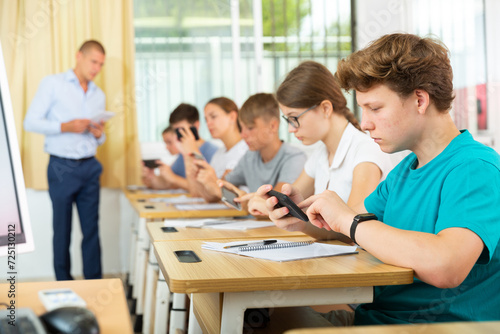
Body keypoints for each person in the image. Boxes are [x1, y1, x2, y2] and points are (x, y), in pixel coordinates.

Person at [259, 33, 500, 326]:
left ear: (420, 99)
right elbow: (358, 232)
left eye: (375, 108)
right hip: (375, 317)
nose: (365, 122)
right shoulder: (404, 171)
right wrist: (305, 221)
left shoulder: (474, 167)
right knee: (259, 315)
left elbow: (446, 265)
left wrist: (349, 220)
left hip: (430, 328)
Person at [250, 61, 395, 232]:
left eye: (294, 118)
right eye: (288, 120)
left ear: (326, 108)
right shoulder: (321, 153)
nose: (290, 128)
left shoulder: (365, 151)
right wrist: (273, 205)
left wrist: (300, 224)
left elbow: (352, 228)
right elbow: (292, 201)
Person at [24, 40, 107, 280]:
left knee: (91, 229)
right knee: (62, 230)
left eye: (100, 65)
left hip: (90, 166)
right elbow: (30, 122)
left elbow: (99, 138)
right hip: (62, 167)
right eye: (93, 62)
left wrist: (100, 135)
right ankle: (64, 284)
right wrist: (65, 126)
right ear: (78, 56)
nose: (96, 69)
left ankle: (94, 283)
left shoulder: (98, 94)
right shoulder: (52, 84)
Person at [216, 93, 307, 211]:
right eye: (241, 128)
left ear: (273, 126)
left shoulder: (294, 157)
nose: (243, 135)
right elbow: (224, 184)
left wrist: (244, 198)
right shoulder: (250, 156)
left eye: (250, 128)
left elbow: (276, 203)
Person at [141, 103, 218, 191]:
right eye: (176, 131)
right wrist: (151, 177)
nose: (178, 136)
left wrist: (174, 178)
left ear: (196, 126)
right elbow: (168, 183)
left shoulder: (212, 152)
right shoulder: (183, 153)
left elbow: (207, 189)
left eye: (181, 130)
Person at [188, 97, 248, 201]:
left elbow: (235, 198)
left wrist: (214, 181)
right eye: (206, 119)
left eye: (213, 117)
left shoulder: (247, 150)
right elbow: (211, 197)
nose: (208, 124)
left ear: (232, 117)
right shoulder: (219, 153)